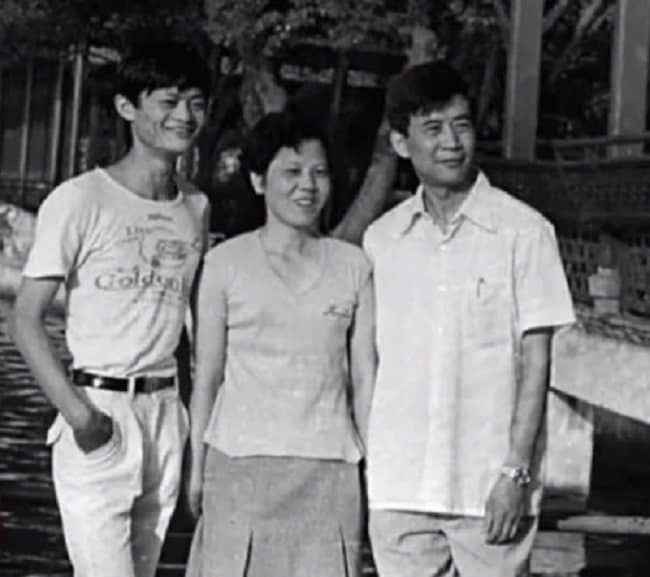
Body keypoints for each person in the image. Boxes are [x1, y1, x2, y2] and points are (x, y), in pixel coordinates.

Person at [363, 61, 575, 577]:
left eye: (461, 125)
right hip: (399, 488)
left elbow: (537, 366)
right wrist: (373, 466)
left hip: (489, 489)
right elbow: (369, 364)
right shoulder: (382, 241)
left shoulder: (524, 232)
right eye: (433, 129)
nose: (451, 143)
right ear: (401, 143)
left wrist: (516, 473)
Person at [10, 42, 210, 577]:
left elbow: (187, 332)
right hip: (99, 412)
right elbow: (25, 318)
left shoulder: (195, 207)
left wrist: (191, 428)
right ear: (127, 107)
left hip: (165, 414)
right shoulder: (80, 199)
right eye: (168, 101)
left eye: (196, 103)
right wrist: (80, 417)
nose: (184, 116)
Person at [184, 109, 375, 577]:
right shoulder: (224, 263)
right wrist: (197, 466)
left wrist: (372, 467)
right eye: (291, 172)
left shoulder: (354, 266)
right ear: (257, 180)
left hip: (329, 467)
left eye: (319, 172)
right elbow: (207, 377)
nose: (307, 185)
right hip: (239, 464)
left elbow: (364, 377)